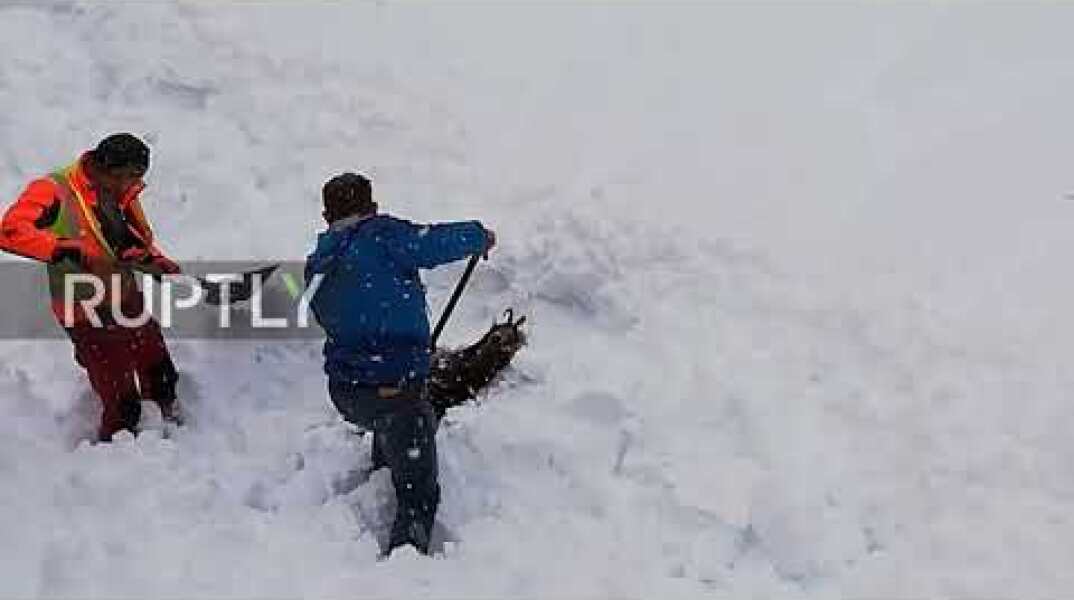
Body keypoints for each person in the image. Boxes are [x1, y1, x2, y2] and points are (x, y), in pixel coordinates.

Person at [305, 172, 494, 556]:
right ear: (372, 207)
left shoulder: (318, 263)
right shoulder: (384, 236)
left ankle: (384, 467)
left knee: (388, 413)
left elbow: (324, 312)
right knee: (418, 492)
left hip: (347, 394)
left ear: (326, 215)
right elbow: (434, 243)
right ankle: (405, 566)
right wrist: (479, 235)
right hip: (398, 394)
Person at [0, 133, 182, 441]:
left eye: (135, 179)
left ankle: (172, 428)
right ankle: (118, 452)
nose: (129, 186)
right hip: (84, 309)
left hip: (125, 297)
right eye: (125, 178)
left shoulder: (119, 193)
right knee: (121, 397)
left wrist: (154, 261)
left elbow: (122, 241)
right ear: (103, 167)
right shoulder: (52, 190)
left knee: (160, 372)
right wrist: (73, 251)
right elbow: (10, 231)